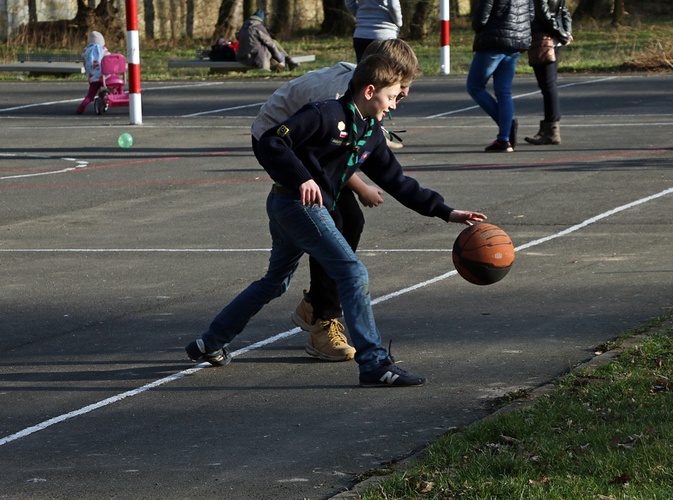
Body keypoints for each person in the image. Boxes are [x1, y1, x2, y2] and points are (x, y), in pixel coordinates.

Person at [186, 53, 487, 387]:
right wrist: (302, 177)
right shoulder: (324, 113)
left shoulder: (370, 132)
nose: (395, 106)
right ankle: (373, 363)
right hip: (294, 203)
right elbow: (273, 139)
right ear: (370, 91)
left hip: (300, 207)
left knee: (276, 282)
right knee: (352, 271)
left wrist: (446, 212)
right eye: (391, 97)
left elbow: (398, 182)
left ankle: (210, 342)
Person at [250, 39, 419, 363]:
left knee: (349, 220)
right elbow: (321, 156)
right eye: (403, 84)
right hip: (276, 140)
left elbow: (347, 154)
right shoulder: (334, 99)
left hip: (309, 145)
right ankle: (321, 323)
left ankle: (314, 304)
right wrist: (361, 187)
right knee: (334, 219)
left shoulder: (366, 91)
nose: (406, 93)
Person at [466, 0, 532, 153]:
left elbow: (482, 16)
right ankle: (504, 138)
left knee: (474, 86)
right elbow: (531, 15)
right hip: (516, 42)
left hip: (494, 41)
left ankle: (506, 128)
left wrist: (477, 27)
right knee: (504, 91)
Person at [524, 0, 572, 146]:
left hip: (544, 39)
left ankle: (551, 131)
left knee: (548, 85)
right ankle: (547, 128)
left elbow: (544, 15)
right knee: (549, 85)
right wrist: (566, 32)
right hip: (553, 38)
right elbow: (564, 11)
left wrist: (562, 34)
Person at [76, 31, 109, 115]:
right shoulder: (103, 51)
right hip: (104, 77)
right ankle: (106, 99)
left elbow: (84, 61)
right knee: (112, 87)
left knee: (90, 96)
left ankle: (81, 108)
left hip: (93, 78)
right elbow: (110, 58)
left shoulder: (86, 51)